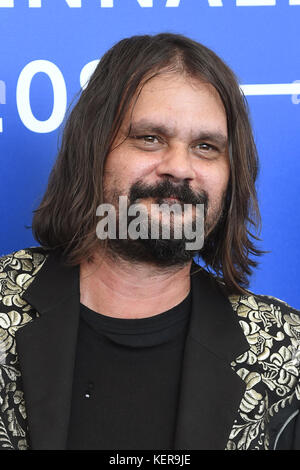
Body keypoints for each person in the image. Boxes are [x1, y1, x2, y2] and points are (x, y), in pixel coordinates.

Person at [0, 33, 299, 451]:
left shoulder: (286, 352)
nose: (179, 168)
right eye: (150, 138)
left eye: (206, 147)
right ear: (94, 149)